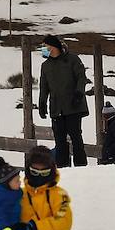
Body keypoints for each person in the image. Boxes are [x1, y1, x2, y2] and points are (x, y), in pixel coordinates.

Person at [37, 35, 90, 168]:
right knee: (60, 141)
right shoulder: (45, 66)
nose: (43, 48)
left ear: (53, 46)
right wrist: (42, 103)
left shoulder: (72, 59)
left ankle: (81, 166)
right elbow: (44, 87)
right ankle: (62, 168)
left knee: (76, 138)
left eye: (45, 46)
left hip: (73, 106)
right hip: (56, 108)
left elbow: (81, 78)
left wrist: (79, 93)